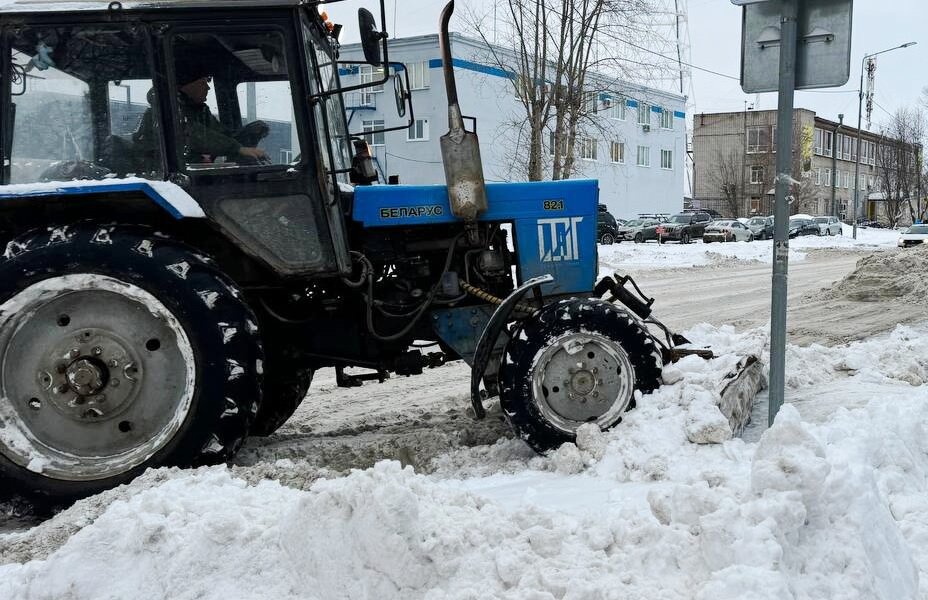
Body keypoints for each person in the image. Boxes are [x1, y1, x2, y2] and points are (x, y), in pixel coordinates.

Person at [173, 61, 269, 164]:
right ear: (187, 86)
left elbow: (222, 135)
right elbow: (194, 134)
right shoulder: (172, 110)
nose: (208, 87)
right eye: (203, 82)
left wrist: (248, 137)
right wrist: (238, 149)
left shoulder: (201, 111)